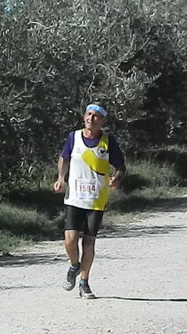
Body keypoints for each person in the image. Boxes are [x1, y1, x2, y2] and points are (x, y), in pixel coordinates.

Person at [53, 101, 126, 299]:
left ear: (102, 120)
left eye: (95, 116)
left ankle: (84, 282)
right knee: (69, 241)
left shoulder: (108, 142)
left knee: (88, 243)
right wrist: (61, 178)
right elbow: (64, 158)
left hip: (96, 200)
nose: (90, 118)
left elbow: (121, 167)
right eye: (88, 114)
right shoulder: (73, 137)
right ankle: (74, 265)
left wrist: (116, 179)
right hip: (75, 198)